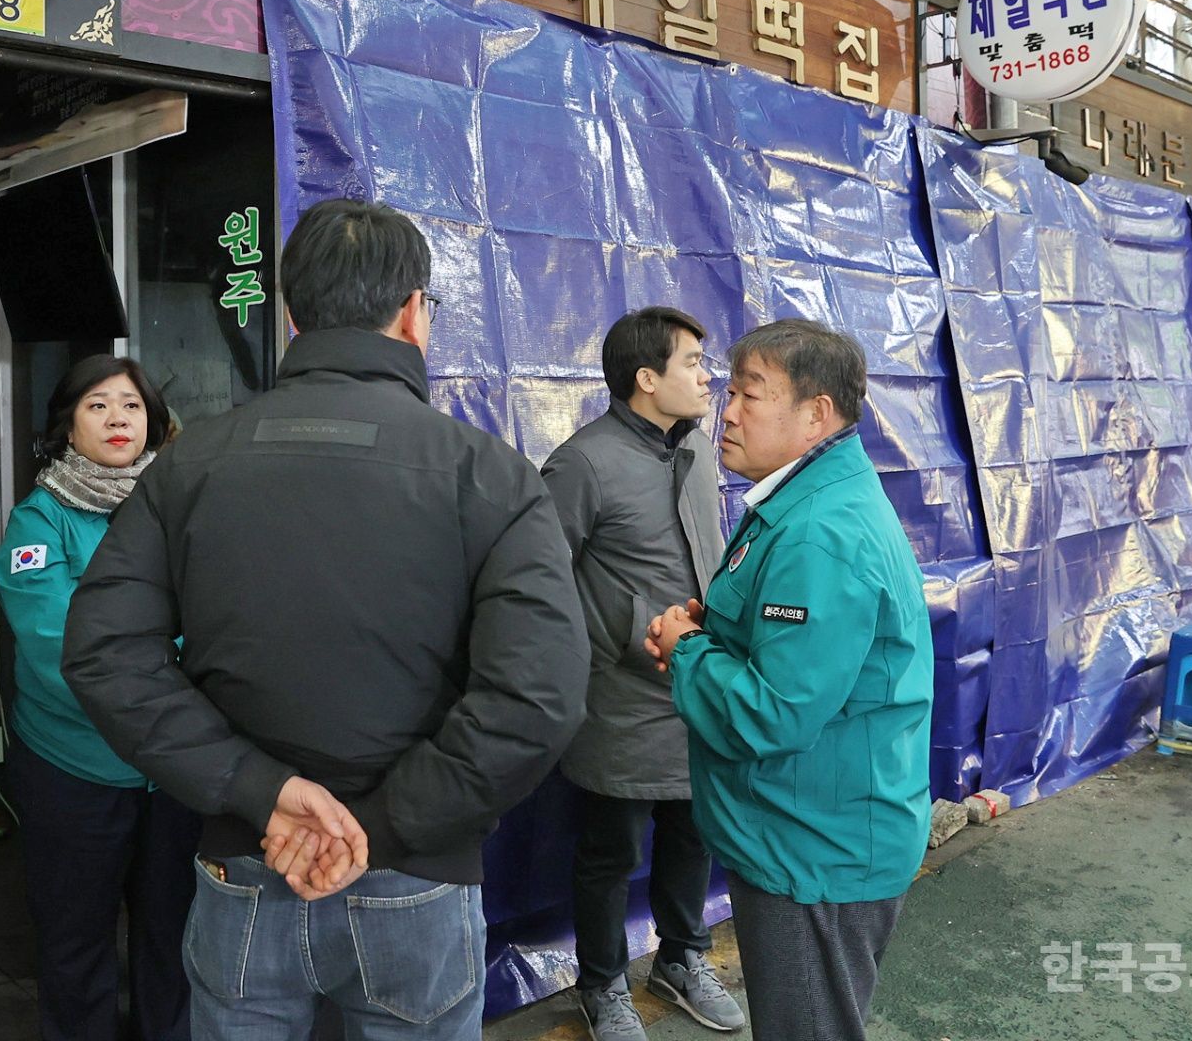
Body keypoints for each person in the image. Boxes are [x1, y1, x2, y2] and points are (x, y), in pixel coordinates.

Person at [61, 197, 590, 1040]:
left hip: (246, 860)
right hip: (416, 879)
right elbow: (537, 699)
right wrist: (378, 829)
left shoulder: (192, 462)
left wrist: (262, 795)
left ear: (292, 313)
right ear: (416, 312)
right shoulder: (487, 473)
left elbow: (103, 653)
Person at [646, 318, 933, 1041]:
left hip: (813, 850)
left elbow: (774, 714)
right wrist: (712, 634)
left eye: (751, 395)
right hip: (799, 830)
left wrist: (686, 652)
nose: (729, 411)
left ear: (818, 414)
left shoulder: (818, 533)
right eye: (731, 390)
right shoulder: (797, 502)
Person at [541, 308, 745, 1040]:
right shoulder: (582, 463)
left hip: (699, 687)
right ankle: (601, 987)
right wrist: (633, 632)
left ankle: (682, 958)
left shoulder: (697, 452)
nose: (707, 376)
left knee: (694, 832)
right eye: (692, 363)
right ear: (646, 378)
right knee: (610, 850)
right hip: (621, 700)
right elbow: (542, 578)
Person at [0, 355, 197, 1041]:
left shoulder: (179, 507)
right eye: (99, 406)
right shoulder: (37, 523)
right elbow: (59, 652)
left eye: (132, 406)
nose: (118, 419)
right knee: (75, 942)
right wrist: (172, 693)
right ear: (67, 426)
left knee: (172, 937)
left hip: (171, 774)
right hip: (75, 767)